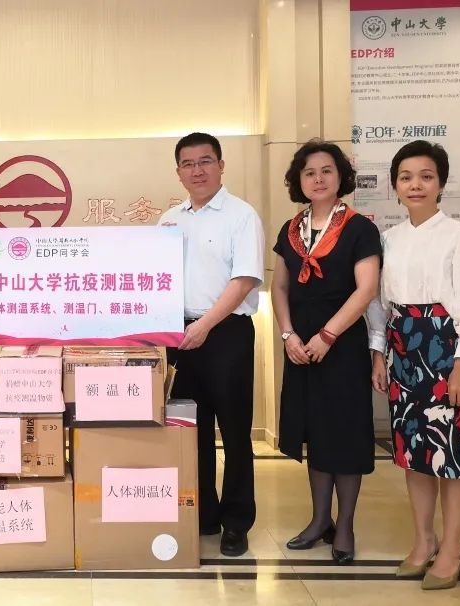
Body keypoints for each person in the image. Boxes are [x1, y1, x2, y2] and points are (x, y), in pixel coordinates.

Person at [369, 140, 460, 590]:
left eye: (425, 176)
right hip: (403, 351)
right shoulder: (389, 239)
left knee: (453, 456)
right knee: (415, 454)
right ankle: (423, 541)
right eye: (405, 177)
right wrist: (378, 353)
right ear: (395, 186)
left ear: (440, 183)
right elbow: (379, 305)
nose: (415, 185)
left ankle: (453, 548)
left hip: (446, 351)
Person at [271, 140, 382, 564]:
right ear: (298, 181)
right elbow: (280, 287)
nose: (318, 179)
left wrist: (328, 335)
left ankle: (345, 525)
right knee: (315, 433)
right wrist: (288, 335)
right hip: (300, 347)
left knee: (345, 436)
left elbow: (366, 289)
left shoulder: (359, 228)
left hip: (342, 345)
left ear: (341, 177)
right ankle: (320, 520)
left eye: (326, 171)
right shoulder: (291, 229)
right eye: (309, 173)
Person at [158, 132, 264, 557]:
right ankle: (203, 513)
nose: (197, 170)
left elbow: (244, 280)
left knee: (235, 432)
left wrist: (204, 324)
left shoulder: (241, 215)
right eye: (188, 164)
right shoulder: (168, 220)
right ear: (178, 172)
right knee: (190, 430)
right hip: (179, 336)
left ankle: (236, 522)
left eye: (205, 161)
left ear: (221, 166)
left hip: (226, 334)